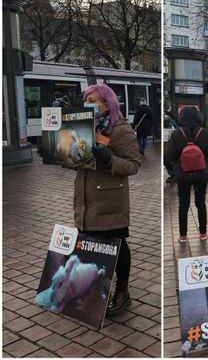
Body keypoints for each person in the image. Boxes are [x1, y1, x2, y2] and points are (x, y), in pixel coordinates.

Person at [76, 84, 141, 315]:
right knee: (90, 244)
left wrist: (110, 160)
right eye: (85, 99)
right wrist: (53, 151)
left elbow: (134, 164)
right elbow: (76, 160)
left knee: (117, 246)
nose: (88, 103)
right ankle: (92, 293)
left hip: (110, 200)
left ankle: (122, 292)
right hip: (86, 198)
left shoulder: (119, 129)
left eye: (93, 100)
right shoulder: (81, 127)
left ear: (107, 103)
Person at [165, 106, 208, 242]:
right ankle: (203, 233)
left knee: (184, 205)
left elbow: (169, 156)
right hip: (201, 175)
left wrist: (175, 169)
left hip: (183, 175)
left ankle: (183, 235)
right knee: (201, 203)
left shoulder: (176, 134)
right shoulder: (206, 134)